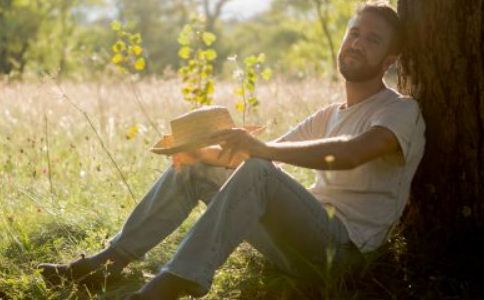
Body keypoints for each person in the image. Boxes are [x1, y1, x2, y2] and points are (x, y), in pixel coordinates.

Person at [38, 1, 425, 299]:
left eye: (372, 40)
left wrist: (259, 149)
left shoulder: (400, 110)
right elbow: (261, 154)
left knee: (259, 170)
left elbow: (351, 153)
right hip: (296, 246)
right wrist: (200, 157)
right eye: (354, 33)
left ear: (390, 61)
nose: (357, 43)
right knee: (202, 168)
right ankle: (109, 263)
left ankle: (172, 285)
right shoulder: (329, 114)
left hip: (343, 254)